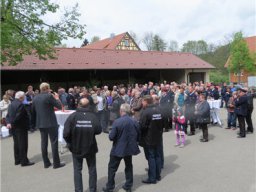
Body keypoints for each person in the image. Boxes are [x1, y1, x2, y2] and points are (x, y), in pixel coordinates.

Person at [64, 98, 102, 192]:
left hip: (76, 147)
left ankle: (78, 190)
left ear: (79, 105)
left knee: (77, 170)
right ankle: (92, 189)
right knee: (91, 169)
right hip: (90, 146)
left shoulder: (72, 116)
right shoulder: (92, 116)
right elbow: (98, 130)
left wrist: (70, 144)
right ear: (88, 106)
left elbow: (65, 134)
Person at [103, 103, 140, 192]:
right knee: (129, 166)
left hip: (118, 148)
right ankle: (128, 186)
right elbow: (139, 135)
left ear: (121, 111)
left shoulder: (117, 121)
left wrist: (111, 133)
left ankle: (110, 187)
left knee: (112, 168)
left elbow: (111, 137)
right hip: (129, 148)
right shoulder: (134, 121)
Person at [32, 82, 65, 169]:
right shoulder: (49, 96)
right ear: (47, 88)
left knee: (44, 143)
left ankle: (46, 163)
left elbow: (33, 111)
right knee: (54, 142)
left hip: (41, 123)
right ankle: (56, 164)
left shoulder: (35, 97)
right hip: (50, 123)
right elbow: (59, 106)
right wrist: (57, 98)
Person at [140, 95, 165, 184]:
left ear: (146, 102)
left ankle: (152, 178)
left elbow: (142, 126)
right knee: (157, 156)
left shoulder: (146, 112)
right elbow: (164, 123)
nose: (142, 103)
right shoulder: (159, 110)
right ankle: (158, 175)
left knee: (151, 157)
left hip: (149, 138)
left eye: (142, 101)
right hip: (158, 137)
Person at [6, 91, 35, 166]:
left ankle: (17, 160)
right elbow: (18, 117)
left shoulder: (11, 104)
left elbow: (8, 116)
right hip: (21, 127)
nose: (25, 98)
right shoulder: (20, 105)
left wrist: (9, 123)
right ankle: (24, 161)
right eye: (24, 97)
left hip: (14, 128)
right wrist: (11, 123)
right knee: (23, 144)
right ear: (21, 97)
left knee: (16, 144)